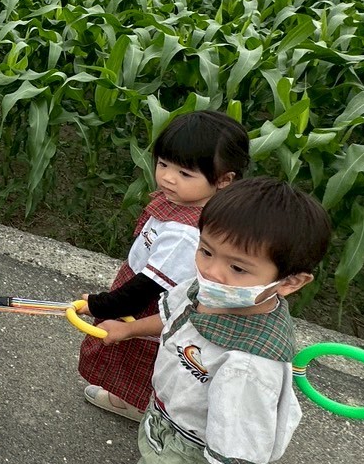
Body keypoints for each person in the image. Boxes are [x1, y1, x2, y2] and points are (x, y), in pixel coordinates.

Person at [77, 176, 332, 464]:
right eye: (206, 250)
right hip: (174, 415)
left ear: (290, 282)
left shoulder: (249, 364)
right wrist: (131, 329)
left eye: (237, 267)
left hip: (192, 442)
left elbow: (243, 447)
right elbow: (175, 314)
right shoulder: (213, 291)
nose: (212, 271)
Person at [79, 110, 250, 422]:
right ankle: (133, 399)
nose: (168, 178)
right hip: (146, 288)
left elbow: (146, 288)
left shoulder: (186, 233)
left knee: (140, 355)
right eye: (163, 164)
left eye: (185, 173)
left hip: (151, 306)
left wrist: (100, 304)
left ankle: (135, 404)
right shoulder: (182, 201)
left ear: (224, 180)